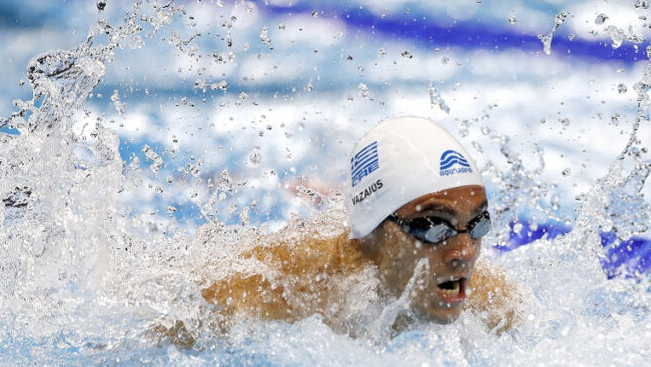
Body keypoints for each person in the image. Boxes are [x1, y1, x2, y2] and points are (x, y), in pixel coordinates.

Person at [195, 117, 520, 341]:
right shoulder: (288, 285)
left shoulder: (493, 302)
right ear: (372, 232)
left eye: (478, 225)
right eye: (435, 227)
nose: (464, 253)